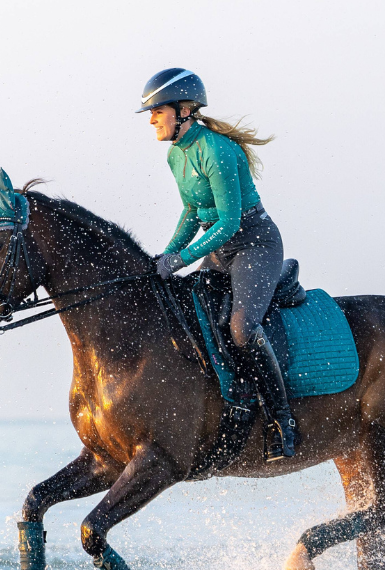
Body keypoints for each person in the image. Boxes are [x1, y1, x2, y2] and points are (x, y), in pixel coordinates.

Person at [137, 67, 297, 458]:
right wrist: (167, 253)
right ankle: (228, 401)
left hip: (253, 244)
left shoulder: (218, 150)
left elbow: (228, 222)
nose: (153, 120)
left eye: (158, 111)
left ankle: (282, 421)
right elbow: (193, 211)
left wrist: (182, 259)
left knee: (241, 328)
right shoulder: (176, 155)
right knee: (187, 313)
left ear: (185, 109)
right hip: (218, 247)